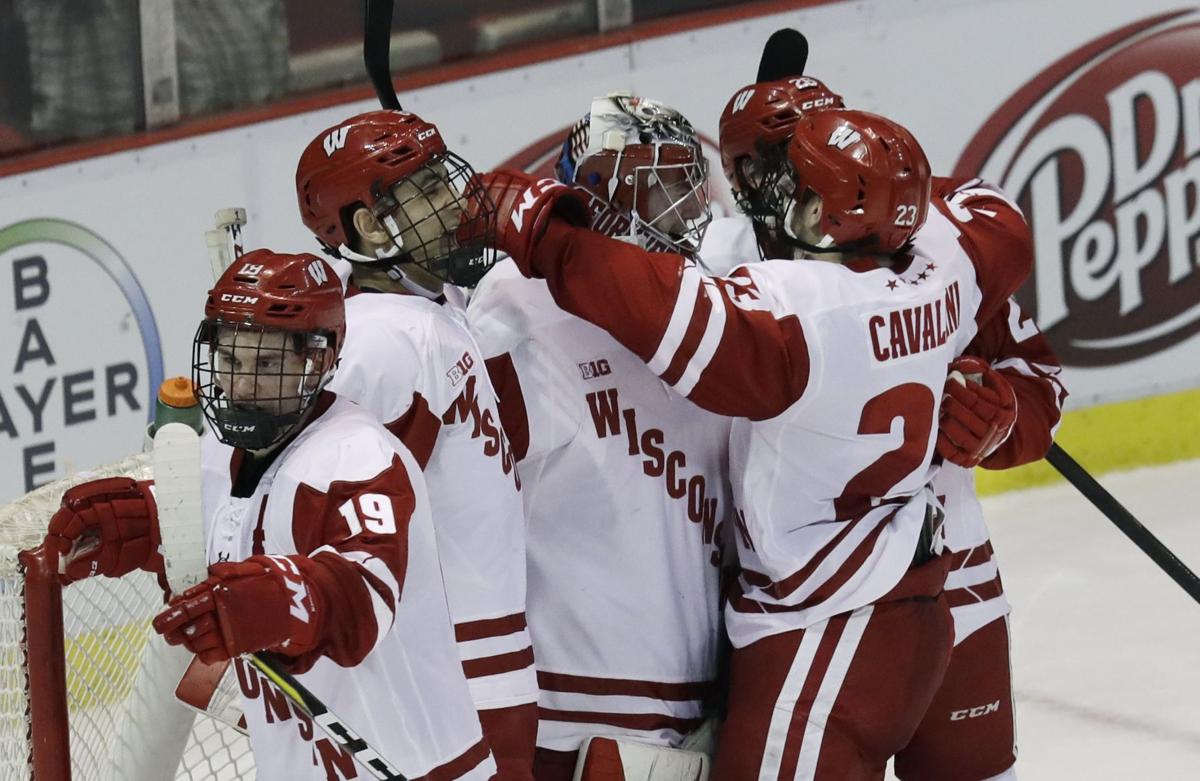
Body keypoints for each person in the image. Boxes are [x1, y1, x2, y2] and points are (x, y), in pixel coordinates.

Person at [469, 106, 1033, 778]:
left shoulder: (799, 308)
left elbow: (659, 309)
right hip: (898, 597)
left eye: (798, 190)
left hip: (828, 615)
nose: (772, 199)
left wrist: (540, 232)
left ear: (830, 218)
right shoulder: (945, 266)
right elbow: (1000, 222)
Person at [715, 70, 1067, 780]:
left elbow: (1041, 384)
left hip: (951, 576)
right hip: (804, 608)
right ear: (744, 172)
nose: (798, 168)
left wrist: (1001, 418)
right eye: (778, 155)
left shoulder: (932, 251)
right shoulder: (721, 266)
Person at [44, 249, 496, 780]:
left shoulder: (360, 457)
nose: (242, 385)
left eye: (267, 365)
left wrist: (275, 601)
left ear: (322, 360)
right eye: (232, 362)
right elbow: (217, 527)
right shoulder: (217, 455)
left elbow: (361, 597)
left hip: (417, 770)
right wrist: (144, 522)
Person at [467, 93, 731, 779]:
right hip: (571, 717)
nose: (684, 208)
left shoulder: (697, 306)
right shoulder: (517, 305)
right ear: (595, 190)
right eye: (659, 184)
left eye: (687, 181)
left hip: (695, 711)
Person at [295, 109, 537, 778]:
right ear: (370, 228)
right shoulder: (378, 340)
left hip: (487, 662)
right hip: (452, 679)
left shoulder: (433, 302)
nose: (456, 201)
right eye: (428, 192)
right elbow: (326, 509)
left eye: (443, 180)